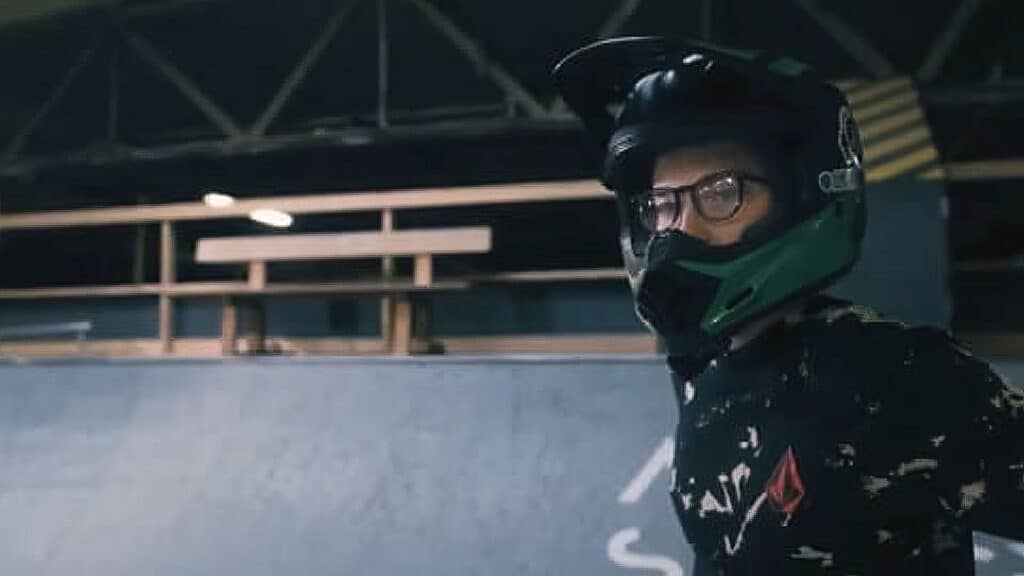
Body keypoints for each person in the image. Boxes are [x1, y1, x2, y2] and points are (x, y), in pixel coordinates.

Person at [553, 36, 1024, 575]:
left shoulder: (893, 376)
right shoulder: (704, 369)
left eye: (721, 192)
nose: (678, 231)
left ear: (799, 194)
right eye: (661, 204)